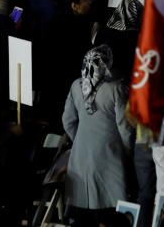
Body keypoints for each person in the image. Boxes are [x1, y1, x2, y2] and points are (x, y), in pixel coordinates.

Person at [62, 45, 134, 212]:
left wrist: (79, 140)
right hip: (109, 156)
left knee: (84, 211)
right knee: (110, 211)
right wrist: (127, 151)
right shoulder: (116, 89)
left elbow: (67, 121)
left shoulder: (76, 86)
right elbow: (124, 127)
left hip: (80, 156)